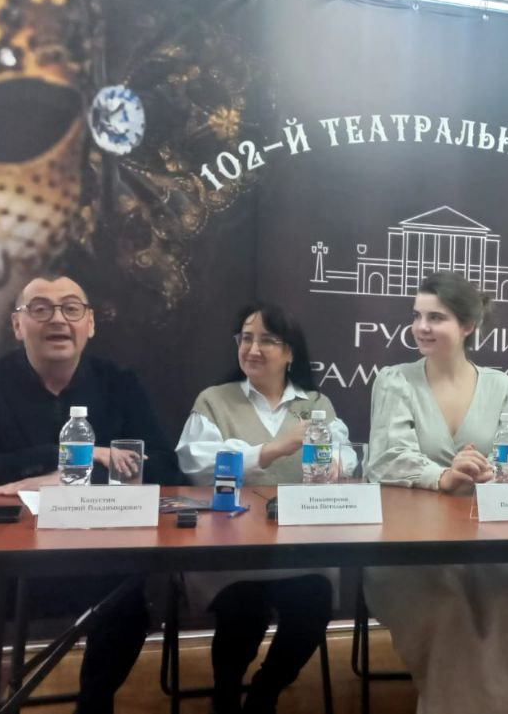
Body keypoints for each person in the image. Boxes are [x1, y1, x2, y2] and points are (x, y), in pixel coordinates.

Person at [0, 275, 181, 714]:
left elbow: (164, 468)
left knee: (131, 602)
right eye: (40, 308)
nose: (58, 319)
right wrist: (76, 457)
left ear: (90, 324)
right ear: (18, 325)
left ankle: (94, 706)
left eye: (71, 308)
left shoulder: (118, 383)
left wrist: (53, 478)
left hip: (93, 555)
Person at [364, 271, 508, 714]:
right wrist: (443, 476)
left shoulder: (504, 388)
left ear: (468, 325)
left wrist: (491, 474)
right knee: (447, 607)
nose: (421, 327)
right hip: (405, 547)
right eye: (417, 316)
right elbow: (385, 460)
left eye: (436, 317)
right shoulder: (395, 381)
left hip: (485, 544)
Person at [175, 303, 349, 714]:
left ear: (290, 352)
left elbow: (345, 452)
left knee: (313, 601)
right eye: (246, 338)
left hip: (299, 551)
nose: (253, 349)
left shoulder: (316, 403)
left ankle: (265, 692)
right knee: (244, 610)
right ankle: (225, 695)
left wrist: (339, 464)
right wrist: (271, 450)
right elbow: (196, 465)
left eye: (267, 340)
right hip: (229, 552)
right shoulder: (215, 400)